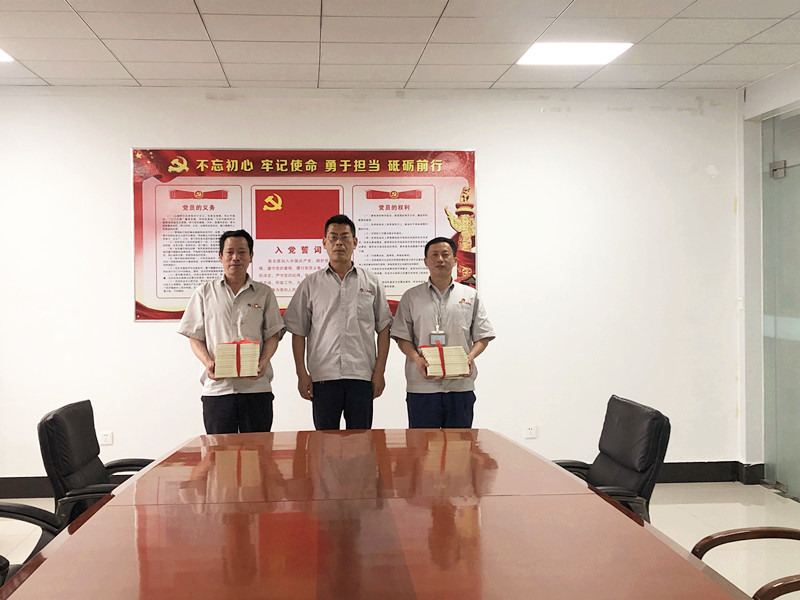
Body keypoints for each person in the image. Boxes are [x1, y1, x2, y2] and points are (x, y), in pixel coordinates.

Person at [284, 214, 392, 430]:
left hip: (361, 375)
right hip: (323, 377)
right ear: (324, 242)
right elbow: (298, 332)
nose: (339, 243)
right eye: (333, 237)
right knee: (325, 442)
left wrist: (380, 371)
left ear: (355, 242)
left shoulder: (372, 282)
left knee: (361, 441)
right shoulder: (310, 284)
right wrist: (301, 373)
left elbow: (384, 328)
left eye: (345, 237)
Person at [178, 229, 285, 434]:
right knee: (219, 450)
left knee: (258, 450)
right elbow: (194, 336)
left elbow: (273, 334)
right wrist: (207, 363)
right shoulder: (204, 293)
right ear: (220, 256)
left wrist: (264, 361)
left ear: (251, 256)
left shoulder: (264, 293)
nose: (236, 257)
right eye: (230, 252)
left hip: (256, 389)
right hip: (218, 391)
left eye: (242, 252)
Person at [390, 237, 495, 428]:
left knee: (460, 443)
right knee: (422, 443)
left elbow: (483, 335)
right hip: (422, 386)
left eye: (445, 255)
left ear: (455, 260)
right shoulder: (411, 297)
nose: (440, 259)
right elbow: (402, 337)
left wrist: (470, 357)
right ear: (426, 261)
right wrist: (417, 358)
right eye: (434, 255)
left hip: (460, 385)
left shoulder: (470, 295)